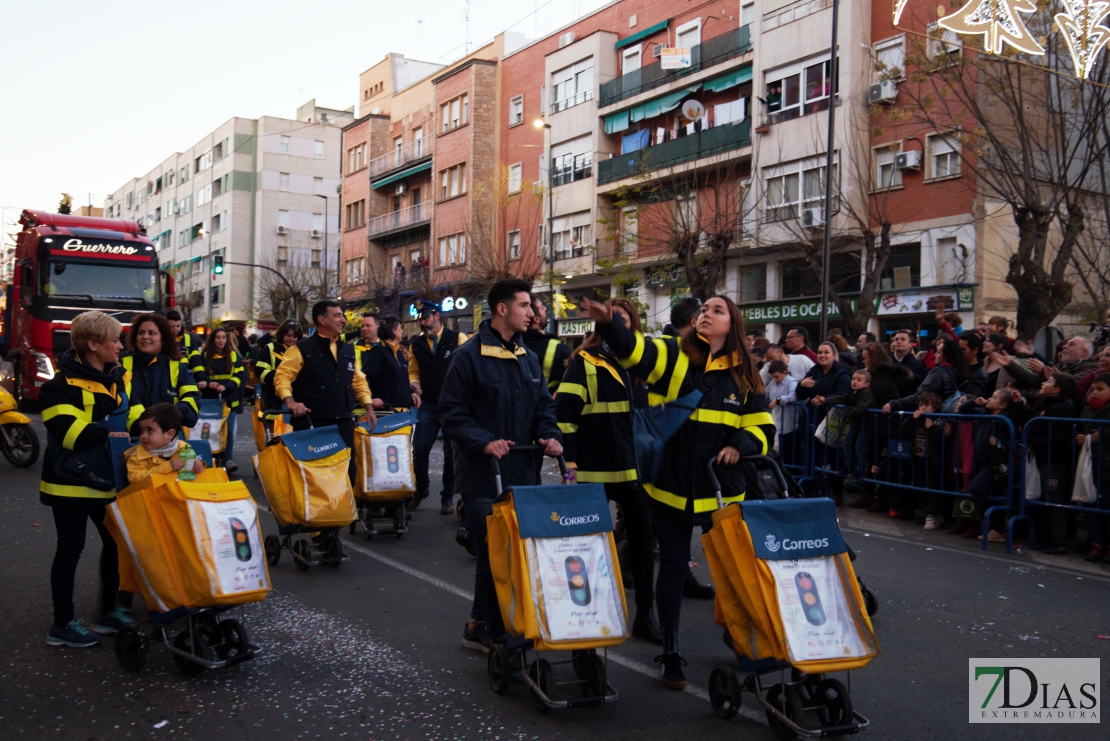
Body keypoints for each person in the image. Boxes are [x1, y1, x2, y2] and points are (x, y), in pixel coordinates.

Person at [578, 294, 775, 691]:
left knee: (735, 575)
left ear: (732, 324)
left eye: (717, 310)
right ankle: (670, 650)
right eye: (704, 310)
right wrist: (611, 325)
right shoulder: (674, 354)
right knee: (671, 570)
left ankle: (740, 636)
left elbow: (763, 426)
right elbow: (637, 352)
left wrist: (741, 445)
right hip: (668, 489)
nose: (706, 315)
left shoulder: (746, 374)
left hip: (722, 493)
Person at [439, 279, 562, 653]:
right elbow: (451, 412)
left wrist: (549, 434)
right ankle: (494, 628)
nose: (533, 313)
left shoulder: (527, 358)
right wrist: (483, 441)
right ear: (503, 309)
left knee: (505, 550)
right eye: (526, 305)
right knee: (497, 548)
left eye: (533, 306)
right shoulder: (469, 356)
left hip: (523, 472)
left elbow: (543, 406)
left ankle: (478, 623)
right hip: (481, 476)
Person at [556, 297, 661, 645]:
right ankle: (593, 611)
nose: (622, 326)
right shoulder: (584, 361)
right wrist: (569, 465)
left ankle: (645, 614)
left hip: (637, 472)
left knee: (645, 542)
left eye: (627, 320)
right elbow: (566, 418)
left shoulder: (645, 367)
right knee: (591, 545)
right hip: (594, 471)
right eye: (616, 320)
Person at [40, 311, 134, 648]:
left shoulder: (115, 379)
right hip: (68, 484)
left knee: (115, 544)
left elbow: (130, 414)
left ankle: (107, 611)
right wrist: (112, 430)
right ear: (93, 344)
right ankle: (62, 624)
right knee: (70, 550)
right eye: (114, 340)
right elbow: (69, 433)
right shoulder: (59, 386)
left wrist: (156, 422)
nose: (120, 346)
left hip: (105, 480)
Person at [273, 300, 378, 486]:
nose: (343, 320)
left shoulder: (347, 350)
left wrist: (368, 406)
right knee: (315, 478)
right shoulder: (300, 349)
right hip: (312, 422)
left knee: (348, 474)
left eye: (342, 315)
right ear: (322, 320)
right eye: (337, 315)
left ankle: (345, 514)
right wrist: (290, 402)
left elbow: (358, 380)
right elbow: (282, 377)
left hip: (343, 422)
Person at [408, 300, 468, 514]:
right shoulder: (416, 345)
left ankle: (447, 497)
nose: (423, 322)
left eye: (426, 318)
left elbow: (468, 366)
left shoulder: (457, 338)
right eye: (420, 319)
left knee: (452, 454)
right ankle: (422, 488)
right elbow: (413, 370)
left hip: (453, 404)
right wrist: (414, 383)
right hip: (429, 404)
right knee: (421, 447)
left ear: (437, 316)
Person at [1012, 374, 1078, 554]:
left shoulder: (1063, 408)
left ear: (1056, 389)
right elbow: (1027, 424)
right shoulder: (1042, 404)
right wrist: (1018, 404)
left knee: (1054, 500)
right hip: (1038, 457)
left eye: (1048, 382)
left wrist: (1035, 443)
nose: (1043, 383)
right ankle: (1044, 536)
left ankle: (1058, 540)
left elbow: (1057, 436)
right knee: (1040, 497)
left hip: (1054, 460)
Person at [953, 390, 1020, 542]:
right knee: (989, 494)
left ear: (1002, 405)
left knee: (979, 489)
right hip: (982, 460)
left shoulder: (1005, 420)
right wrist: (975, 401)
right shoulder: (984, 412)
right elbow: (963, 409)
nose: (989, 398)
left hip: (996, 463)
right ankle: (995, 529)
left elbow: (1013, 442)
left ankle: (998, 528)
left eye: (994, 397)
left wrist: (999, 443)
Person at [121, 313, 200, 437]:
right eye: (141, 333)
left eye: (151, 333)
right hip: (131, 440)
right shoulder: (121, 366)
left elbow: (192, 402)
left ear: (163, 339)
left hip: (168, 441)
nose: (145, 337)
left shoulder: (179, 369)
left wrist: (165, 418)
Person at [851, 343, 908, 511]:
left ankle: (880, 497)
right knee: (872, 460)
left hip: (886, 426)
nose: (862, 360)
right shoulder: (876, 376)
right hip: (878, 425)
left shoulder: (880, 379)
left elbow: (865, 397)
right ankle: (869, 494)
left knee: (881, 463)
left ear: (873, 358)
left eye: (865, 357)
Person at [796, 342, 853, 503]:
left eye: (826, 352)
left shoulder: (841, 373)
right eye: (820, 352)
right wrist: (801, 385)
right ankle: (810, 489)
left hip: (831, 422)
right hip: (812, 421)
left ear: (834, 356)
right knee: (810, 455)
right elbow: (800, 393)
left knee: (834, 457)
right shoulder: (814, 371)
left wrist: (825, 400)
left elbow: (845, 393)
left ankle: (837, 492)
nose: (822, 355)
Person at [195, 328, 246, 474]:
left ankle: (228, 459)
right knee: (210, 431)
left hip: (229, 400)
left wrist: (226, 386)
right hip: (210, 400)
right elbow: (200, 374)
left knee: (229, 431)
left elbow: (240, 376)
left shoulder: (234, 356)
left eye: (224, 337)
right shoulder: (205, 356)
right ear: (213, 339)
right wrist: (209, 382)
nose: (221, 340)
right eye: (218, 337)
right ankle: (210, 458)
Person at [125, 403, 207, 482]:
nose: (143, 436)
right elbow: (134, 479)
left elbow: (189, 473)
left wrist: (198, 466)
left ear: (170, 434)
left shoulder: (183, 450)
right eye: (142, 431)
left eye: (150, 431)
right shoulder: (138, 456)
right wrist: (167, 467)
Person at [1077, 373, 1110, 562]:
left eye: (1100, 389)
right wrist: (1079, 437)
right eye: (1094, 389)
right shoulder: (1088, 409)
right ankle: (1096, 542)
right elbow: (1080, 428)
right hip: (1090, 465)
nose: (1095, 393)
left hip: (1107, 468)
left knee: (1107, 507)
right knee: (1091, 506)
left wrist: (1104, 434)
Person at [362, 315, 421, 411]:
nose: (402, 331)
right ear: (393, 330)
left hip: (404, 413)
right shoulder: (378, 351)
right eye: (400, 328)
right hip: (386, 414)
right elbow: (364, 378)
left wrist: (411, 393)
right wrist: (370, 399)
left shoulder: (398, 353)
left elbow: (399, 381)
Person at [522, 295, 572, 394]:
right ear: (536, 319)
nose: (545, 308)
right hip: (547, 405)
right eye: (541, 308)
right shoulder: (558, 349)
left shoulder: (510, 342)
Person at [256, 320, 302, 412]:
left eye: (295, 336)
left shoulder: (300, 350)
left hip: (295, 399)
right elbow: (260, 372)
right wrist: (281, 378)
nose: (292, 339)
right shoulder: (270, 348)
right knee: (272, 424)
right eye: (288, 336)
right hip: (272, 399)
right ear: (282, 334)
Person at [766, 359, 800, 462]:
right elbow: (765, 394)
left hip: (788, 425)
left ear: (784, 373)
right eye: (773, 377)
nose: (774, 379)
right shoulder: (772, 384)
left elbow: (793, 396)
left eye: (777, 376)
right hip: (775, 423)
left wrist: (778, 399)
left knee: (788, 454)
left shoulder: (791, 382)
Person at [164, 309, 203, 376]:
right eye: (171, 327)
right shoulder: (160, 339)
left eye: (178, 326)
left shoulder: (188, 339)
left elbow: (196, 361)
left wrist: (201, 378)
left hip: (184, 377)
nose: (175, 329)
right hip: (166, 378)